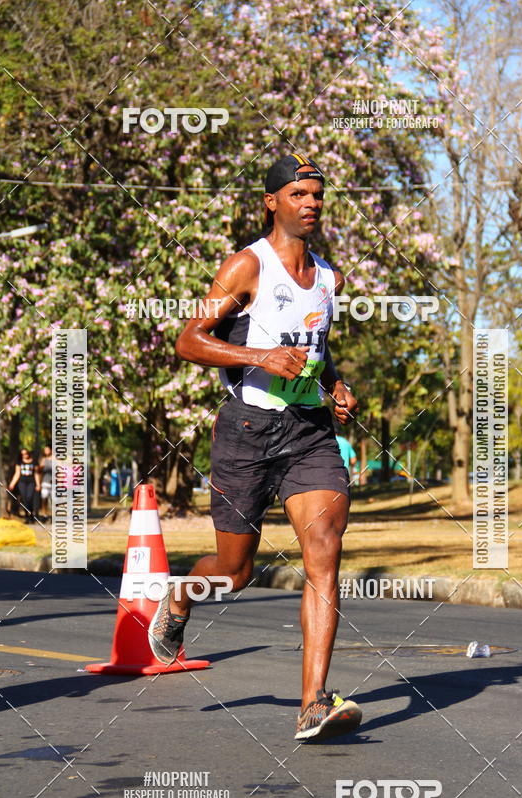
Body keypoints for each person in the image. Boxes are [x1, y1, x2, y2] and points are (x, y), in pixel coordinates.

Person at [149, 153, 363, 741]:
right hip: (246, 431)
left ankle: (313, 703)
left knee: (323, 546)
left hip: (308, 434)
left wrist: (335, 388)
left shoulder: (328, 278)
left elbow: (316, 355)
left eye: (317, 194)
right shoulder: (247, 266)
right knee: (234, 572)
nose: (311, 203)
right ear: (273, 202)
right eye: (299, 194)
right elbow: (188, 340)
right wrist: (257, 357)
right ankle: (179, 597)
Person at [8, 448, 40, 524]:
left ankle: (32, 514)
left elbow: (36, 474)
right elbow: (17, 474)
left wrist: (38, 484)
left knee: (29, 498)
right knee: (24, 499)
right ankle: (26, 516)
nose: (24, 455)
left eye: (25, 453)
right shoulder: (19, 462)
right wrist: (12, 483)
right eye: (22, 454)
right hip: (22, 482)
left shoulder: (34, 461)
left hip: (31, 482)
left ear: (28, 453)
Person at [39, 445, 53, 520]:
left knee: (54, 500)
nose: (46, 451)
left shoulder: (56, 460)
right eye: (45, 450)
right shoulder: (43, 459)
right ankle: (45, 515)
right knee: (44, 499)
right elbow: (40, 471)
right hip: (45, 482)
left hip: (54, 483)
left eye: (47, 450)